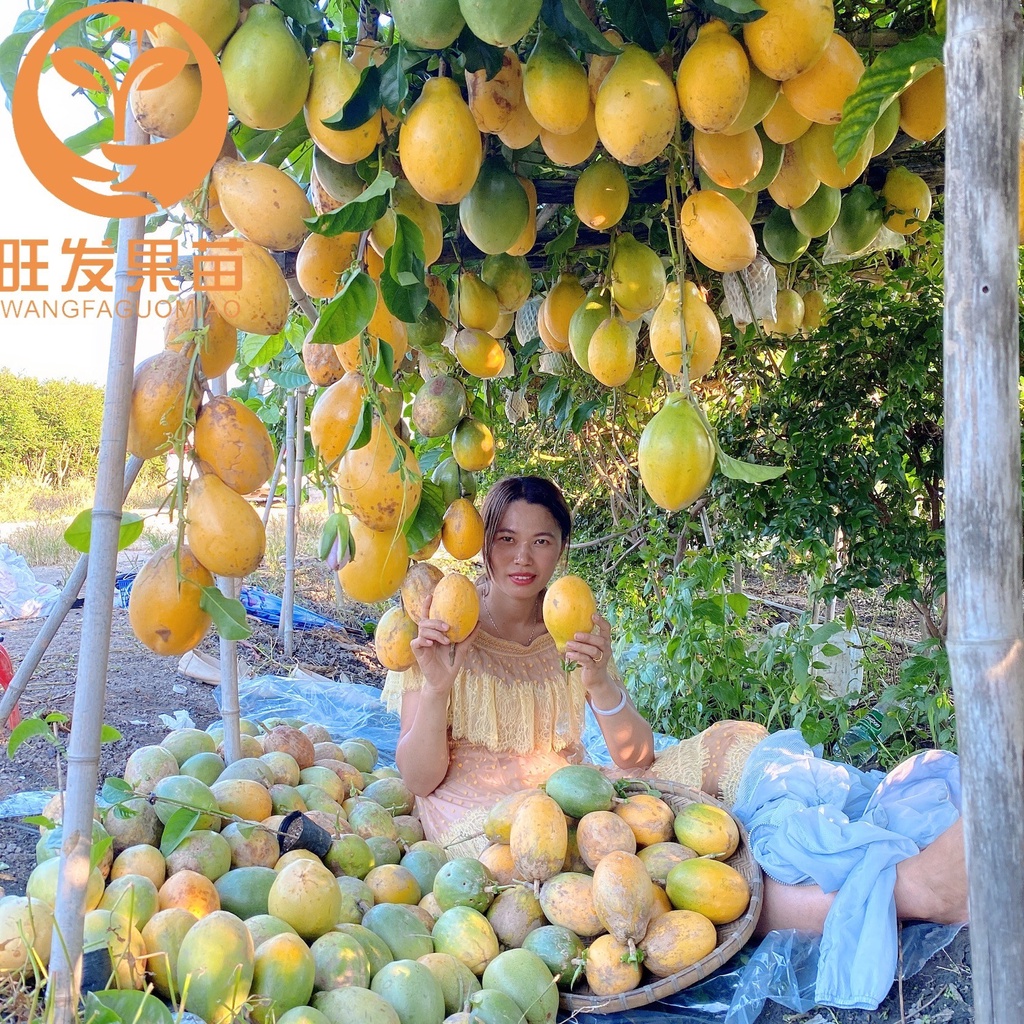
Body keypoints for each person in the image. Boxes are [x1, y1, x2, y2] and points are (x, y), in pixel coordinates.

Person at [382, 475, 968, 939]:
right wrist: (436, 688)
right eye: (506, 539)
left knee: (731, 748)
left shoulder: (574, 624)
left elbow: (635, 756)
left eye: (542, 540)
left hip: (579, 792)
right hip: (486, 824)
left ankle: (854, 850)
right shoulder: (442, 625)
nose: (523, 557)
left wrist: (599, 682)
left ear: (562, 549)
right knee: (632, 882)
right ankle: (912, 893)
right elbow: (419, 778)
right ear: (483, 544)